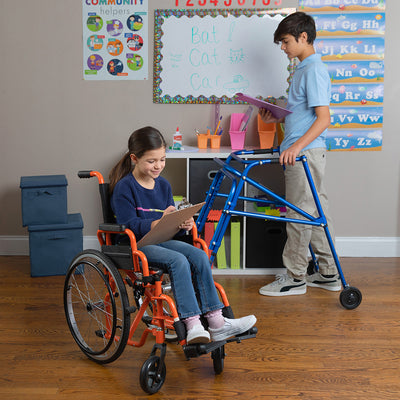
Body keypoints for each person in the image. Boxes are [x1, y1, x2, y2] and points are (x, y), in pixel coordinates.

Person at [109, 126, 256, 343]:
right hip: (136, 245)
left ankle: (216, 322)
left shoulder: (163, 185)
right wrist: (157, 222)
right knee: (178, 261)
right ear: (134, 158)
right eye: (151, 161)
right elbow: (128, 224)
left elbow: (169, 219)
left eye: (162, 159)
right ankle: (192, 323)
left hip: (162, 240)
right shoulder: (125, 187)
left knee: (199, 255)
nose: (158, 166)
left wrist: (183, 223)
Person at [258, 12, 341, 296]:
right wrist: (277, 118)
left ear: (303, 37)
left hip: (303, 154)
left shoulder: (313, 69)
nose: (283, 48)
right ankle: (328, 273)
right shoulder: (304, 69)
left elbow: (323, 118)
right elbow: (305, 114)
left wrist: (295, 147)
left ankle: (294, 277)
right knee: (315, 212)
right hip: (305, 152)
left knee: (298, 214)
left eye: (285, 41)